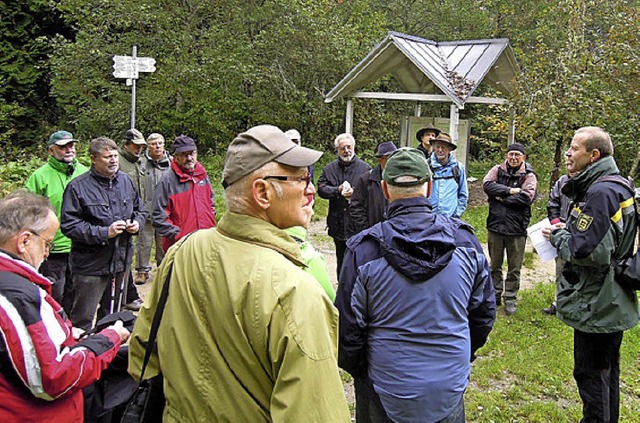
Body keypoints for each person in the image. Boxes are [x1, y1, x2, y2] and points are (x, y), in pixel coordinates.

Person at [129, 124, 350, 421]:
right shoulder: (295, 290)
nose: (311, 189)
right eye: (300, 179)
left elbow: (141, 355)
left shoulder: (181, 252)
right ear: (262, 192)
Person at [335, 148, 496, 423]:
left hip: (385, 383)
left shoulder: (364, 251)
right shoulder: (466, 243)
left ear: (385, 189)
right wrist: (462, 354)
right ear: (429, 186)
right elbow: (482, 315)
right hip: (448, 382)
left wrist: (362, 370)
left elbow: (347, 328)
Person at [0, 191, 130, 422]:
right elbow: (53, 378)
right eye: (47, 243)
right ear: (24, 241)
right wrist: (109, 338)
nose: (48, 254)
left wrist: (67, 336)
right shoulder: (15, 295)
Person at [543, 126, 638, 423]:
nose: (569, 154)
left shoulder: (600, 192)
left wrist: (558, 237)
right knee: (607, 373)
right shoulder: (619, 184)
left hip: (596, 302)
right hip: (611, 299)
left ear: (593, 155)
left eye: (575, 148)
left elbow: (589, 253)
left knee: (592, 376)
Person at [61, 137, 147, 332]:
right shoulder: (77, 187)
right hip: (89, 266)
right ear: (93, 159)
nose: (113, 161)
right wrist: (104, 233)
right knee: (82, 318)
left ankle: (107, 356)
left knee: (112, 316)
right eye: (107, 157)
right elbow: (69, 225)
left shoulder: (125, 181)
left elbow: (140, 210)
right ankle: (78, 355)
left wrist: (137, 223)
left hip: (120, 262)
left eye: (115, 156)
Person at [25, 130, 88, 308]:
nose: (69, 150)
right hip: (53, 249)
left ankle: (72, 333)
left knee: (77, 296)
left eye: (71, 145)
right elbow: (27, 214)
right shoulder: (39, 177)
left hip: (82, 246)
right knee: (54, 297)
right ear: (51, 151)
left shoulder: (85, 172)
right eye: (62, 147)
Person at [483, 143, 537, 315]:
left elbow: (526, 198)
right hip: (495, 227)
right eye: (510, 154)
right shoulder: (497, 170)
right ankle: (495, 295)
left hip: (517, 230)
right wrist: (510, 190)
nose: (513, 158)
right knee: (494, 265)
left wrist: (501, 198)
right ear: (506, 156)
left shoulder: (528, 176)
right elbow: (487, 186)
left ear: (523, 158)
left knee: (514, 268)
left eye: (517, 155)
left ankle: (511, 298)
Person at [151, 135, 216, 253]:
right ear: (175, 157)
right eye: (184, 154)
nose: (189, 158)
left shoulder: (202, 175)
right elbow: (158, 216)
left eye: (192, 153)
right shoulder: (167, 181)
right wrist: (178, 236)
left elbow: (211, 202)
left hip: (206, 241)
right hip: (180, 247)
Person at [317, 133, 371, 276]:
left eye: (349, 147)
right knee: (341, 260)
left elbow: (371, 192)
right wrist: (337, 190)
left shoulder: (365, 168)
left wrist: (356, 193)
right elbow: (321, 189)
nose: (346, 150)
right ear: (337, 150)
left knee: (360, 260)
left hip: (358, 223)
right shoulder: (329, 169)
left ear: (354, 147)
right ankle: (341, 290)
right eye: (343, 148)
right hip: (338, 222)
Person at [135, 132, 172, 284]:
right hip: (146, 210)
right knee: (144, 242)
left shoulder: (172, 162)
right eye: (153, 143)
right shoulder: (140, 163)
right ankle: (142, 271)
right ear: (148, 146)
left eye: (160, 143)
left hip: (165, 210)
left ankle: (163, 269)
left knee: (163, 242)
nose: (157, 146)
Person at [118, 129, 149, 293]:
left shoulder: (140, 161)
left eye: (141, 146)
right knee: (121, 255)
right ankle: (122, 292)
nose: (139, 149)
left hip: (137, 212)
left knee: (129, 252)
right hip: (121, 214)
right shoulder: (117, 161)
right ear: (126, 145)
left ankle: (128, 292)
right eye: (136, 146)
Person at [349, 141, 397, 235]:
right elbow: (356, 207)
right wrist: (366, 230)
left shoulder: (400, 179)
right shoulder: (366, 179)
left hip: (395, 233)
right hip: (372, 232)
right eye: (389, 158)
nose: (393, 161)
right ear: (381, 159)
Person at [542, 172, 573, 315]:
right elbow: (552, 203)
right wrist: (556, 223)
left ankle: (574, 304)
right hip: (561, 232)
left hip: (580, 233)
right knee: (560, 269)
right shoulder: (562, 181)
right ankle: (558, 303)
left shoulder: (592, 182)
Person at [428, 132, 468, 218]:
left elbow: (463, 194)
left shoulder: (458, 168)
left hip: (450, 219)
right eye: (437, 147)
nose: (440, 150)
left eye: (443, 147)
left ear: (449, 149)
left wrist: (456, 214)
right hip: (429, 218)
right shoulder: (426, 166)